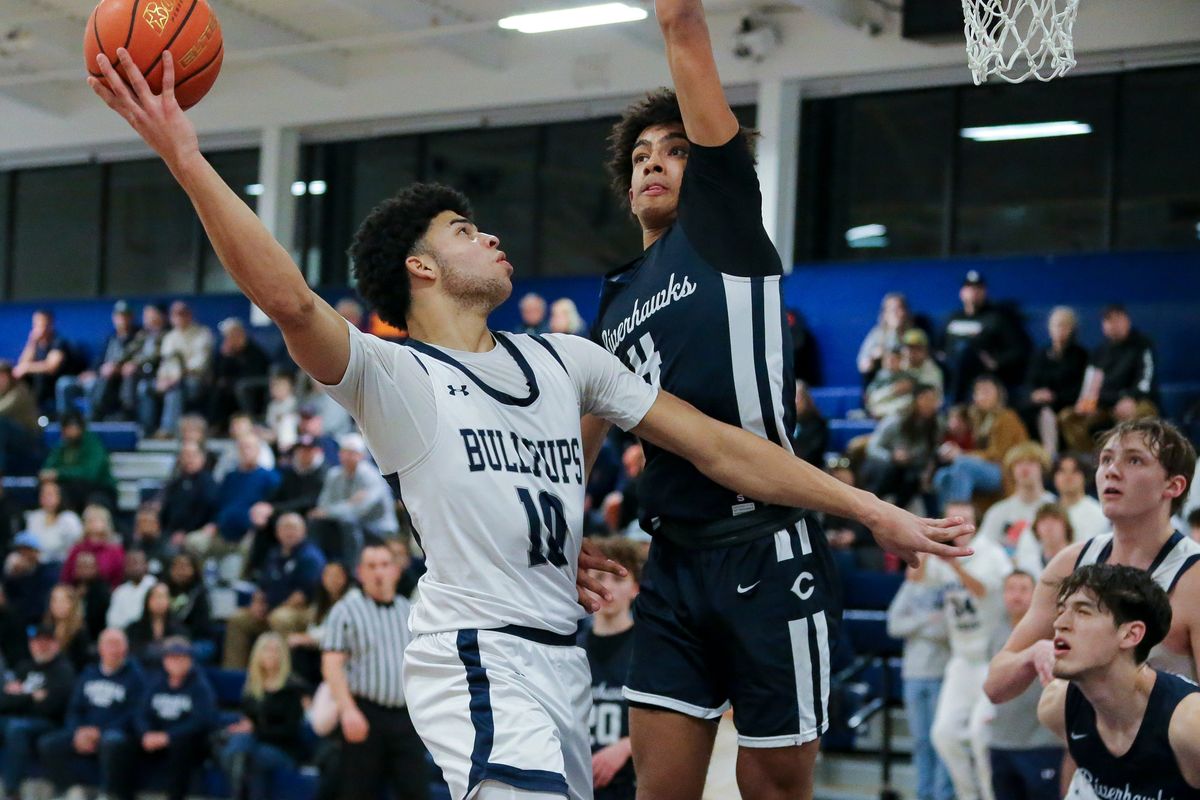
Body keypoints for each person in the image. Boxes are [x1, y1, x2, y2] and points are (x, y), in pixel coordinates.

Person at [87, 46, 970, 800]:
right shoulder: (395, 377)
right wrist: (186, 159)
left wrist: (865, 507)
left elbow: (719, 445)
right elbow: (286, 298)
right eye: (468, 229)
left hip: (562, 660)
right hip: (474, 655)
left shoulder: (566, 359)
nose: (496, 239)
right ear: (422, 267)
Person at [984, 418, 1200, 705]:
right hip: (1089, 745)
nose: (1112, 471)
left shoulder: (1194, 577)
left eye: (1134, 460)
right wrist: (1033, 654)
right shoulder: (1069, 564)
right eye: (1106, 459)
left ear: (1173, 485)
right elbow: (995, 686)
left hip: (1168, 747)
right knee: (1055, 707)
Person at [1037, 564, 1200, 796]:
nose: (1059, 623)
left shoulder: (1190, 725)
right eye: (1061, 610)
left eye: (1083, 611)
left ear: (1131, 634)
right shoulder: (1056, 706)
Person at [321, 542, 425, 800]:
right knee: (358, 792)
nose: (378, 572)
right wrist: (347, 710)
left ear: (396, 571)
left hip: (406, 717)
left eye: (384, 565)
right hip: (366, 713)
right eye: (371, 566)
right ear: (360, 573)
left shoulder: (410, 612)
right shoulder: (345, 611)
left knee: (416, 791)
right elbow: (331, 664)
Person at [925, 501, 1012, 800]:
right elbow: (915, 580)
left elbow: (984, 591)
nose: (959, 527)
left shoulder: (991, 553)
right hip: (961, 659)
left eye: (965, 520)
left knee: (980, 736)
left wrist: (954, 565)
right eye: (952, 521)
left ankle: (991, 796)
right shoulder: (941, 556)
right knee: (943, 734)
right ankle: (968, 795)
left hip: (992, 657)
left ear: (976, 521)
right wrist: (924, 545)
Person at [39, 628, 145, 800]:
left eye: (117, 644)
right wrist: (78, 731)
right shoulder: (89, 673)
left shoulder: (135, 676)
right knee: (48, 744)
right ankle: (71, 789)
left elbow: (134, 714)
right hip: (85, 731)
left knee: (111, 741)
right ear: (100, 648)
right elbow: (74, 708)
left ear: (125, 649)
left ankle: (108, 793)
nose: (113, 649)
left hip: (118, 732)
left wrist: (100, 732)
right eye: (109, 644)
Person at [985, 571, 1063, 800]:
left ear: (1036, 594)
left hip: (1042, 743)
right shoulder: (996, 634)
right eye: (1011, 589)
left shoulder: (1055, 634)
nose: (1016, 596)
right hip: (1002, 741)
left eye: (1023, 589)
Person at [887, 556, 953, 800]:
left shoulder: (946, 590)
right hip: (913, 674)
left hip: (940, 673)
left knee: (941, 741)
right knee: (921, 741)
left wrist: (914, 625)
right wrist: (925, 620)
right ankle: (923, 793)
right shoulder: (909, 588)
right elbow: (893, 625)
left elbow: (945, 630)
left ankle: (942, 794)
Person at [223, 513, 325, 669]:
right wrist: (257, 604)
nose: (289, 532)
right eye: (285, 528)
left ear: (304, 531)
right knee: (238, 619)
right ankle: (235, 673)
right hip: (271, 609)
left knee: (279, 618)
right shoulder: (274, 554)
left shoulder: (310, 556)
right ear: (277, 532)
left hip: (302, 611)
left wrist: (271, 611)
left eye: (293, 528)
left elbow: (301, 596)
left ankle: (282, 675)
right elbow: (262, 587)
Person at [583, 538, 643, 800]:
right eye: (598, 577)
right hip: (577, 782)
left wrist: (626, 747)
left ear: (635, 589)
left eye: (618, 580)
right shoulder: (570, 648)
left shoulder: (649, 650)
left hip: (630, 785)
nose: (607, 588)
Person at [219, 632, 312, 800]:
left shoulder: (293, 687)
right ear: (258, 654)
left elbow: (289, 731)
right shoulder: (251, 687)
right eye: (266, 650)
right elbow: (247, 721)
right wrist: (245, 730)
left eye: (276, 650)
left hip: (284, 749)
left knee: (250, 755)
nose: (271, 654)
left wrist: (255, 731)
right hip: (253, 745)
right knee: (242, 746)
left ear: (283, 655)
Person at [1058, 305, 1159, 454]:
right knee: (1068, 417)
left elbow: (1145, 380)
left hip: (1137, 400)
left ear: (1127, 321)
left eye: (1118, 319)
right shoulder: (1099, 352)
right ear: (1103, 326)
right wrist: (1087, 403)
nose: (1114, 325)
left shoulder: (1142, 345)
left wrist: (1131, 398)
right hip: (1105, 404)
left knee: (1137, 413)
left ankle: (1128, 459)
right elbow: (1090, 383)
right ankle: (1092, 461)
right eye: (1108, 321)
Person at [127, 637, 216, 800]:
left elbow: (201, 721)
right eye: (172, 658)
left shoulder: (200, 686)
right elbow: (141, 713)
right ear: (165, 661)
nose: (177, 663)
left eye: (182, 658)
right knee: (124, 742)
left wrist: (168, 737)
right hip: (155, 738)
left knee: (182, 746)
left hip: (185, 742)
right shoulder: (154, 683)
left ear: (190, 661)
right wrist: (146, 733)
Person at [0, 623, 76, 800]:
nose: (39, 646)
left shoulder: (62, 670)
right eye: (35, 642)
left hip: (50, 724)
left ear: (54, 644)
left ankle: (12, 791)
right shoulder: (24, 667)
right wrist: (31, 697)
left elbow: (51, 707)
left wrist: (19, 696)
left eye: (44, 642)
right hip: (21, 718)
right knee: (12, 724)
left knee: (16, 728)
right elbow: (3, 701)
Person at [933, 376, 1029, 509]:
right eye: (978, 392)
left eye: (987, 391)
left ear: (998, 394)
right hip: (987, 467)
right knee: (943, 475)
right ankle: (944, 519)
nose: (982, 396)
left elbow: (998, 454)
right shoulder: (979, 418)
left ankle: (958, 519)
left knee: (963, 464)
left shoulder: (1006, 417)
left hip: (1006, 470)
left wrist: (962, 454)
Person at [939, 271, 1029, 404]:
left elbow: (1019, 349)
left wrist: (996, 362)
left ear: (985, 292)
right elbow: (938, 347)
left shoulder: (997, 318)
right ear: (962, 292)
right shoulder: (952, 318)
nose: (974, 292)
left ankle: (957, 405)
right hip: (951, 373)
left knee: (966, 353)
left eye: (978, 288)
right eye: (969, 288)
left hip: (983, 375)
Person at [309, 433, 399, 563]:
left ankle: (352, 569)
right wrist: (349, 504)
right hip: (350, 524)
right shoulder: (334, 475)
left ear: (361, 455)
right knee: (317, 523)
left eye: (352, 453)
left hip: (379, 528)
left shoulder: (371, 476)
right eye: (344, 452)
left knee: (348, 522)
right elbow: (322, 506)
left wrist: (331, 511)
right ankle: (322, 567)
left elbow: (359, 511)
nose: (346, 457)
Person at [861, 384, 943, 512]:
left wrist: (928, 469)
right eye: (926, 399)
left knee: (916, 479)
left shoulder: (936, 426)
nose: (930, 404)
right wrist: (892, 456)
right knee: (888, 470)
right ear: (915, 400)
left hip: (911, 471)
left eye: (934, 400)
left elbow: (931, 454)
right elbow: (872, 448)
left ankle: (896, 511)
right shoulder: (895, 421)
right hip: (885, 467)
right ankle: (871, 509)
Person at [1020, 306, 1087, 459]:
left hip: (1065, 404)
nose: (1060, 330)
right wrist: (1035, 394)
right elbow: (1030, 382)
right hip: (1037, 405)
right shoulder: (1040, 355)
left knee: (1047, 414)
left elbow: (1080, 388)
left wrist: (1054, 396)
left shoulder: (1080, 356)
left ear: (1072, 329)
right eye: (1056, 325)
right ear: (1049, 328)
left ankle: (1050, 458)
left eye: (1065, 325)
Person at [57, 300, 139, 421]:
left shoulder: (138, 337)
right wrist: (91, 371)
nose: (121, 319)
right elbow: (99, 360)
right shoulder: (111, 337)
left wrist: (116, 368)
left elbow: (135, 361)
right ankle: (68, 424)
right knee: (64, 384)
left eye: (125, 315)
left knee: (92, 385)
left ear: (131, 317)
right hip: (100, 375)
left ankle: (92, 422)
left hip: (115, 381)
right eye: (118, 316)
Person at [146, 300, 214, 437]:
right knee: (145, 388)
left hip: (197, 380)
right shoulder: (169, 337)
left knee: (175, 388)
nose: (179, 317)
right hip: (171, 379)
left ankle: (168, 430)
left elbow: (199, 364)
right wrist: (162, 379)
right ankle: (146, 430)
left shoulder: (203, 333)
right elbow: (165, 364)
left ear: (189, 315)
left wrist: (175, 378)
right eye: (175, 314)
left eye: (182, 314)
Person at [975, 442, 1056, 552]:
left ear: (1042, 467)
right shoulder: (998, 511)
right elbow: (983, 549)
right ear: (1011, 470)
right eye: (1018, 463)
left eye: (1031, 462)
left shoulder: (1056, 506)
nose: (1025, 468)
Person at [287, 560, 354, 685]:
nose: (332, 579)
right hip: (323, 648)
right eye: (327, 575)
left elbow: (335, 632)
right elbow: (314, 628)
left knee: (303, 651)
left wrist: (307, 639)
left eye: (336, 575)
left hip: (345, 654)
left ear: (346, 577)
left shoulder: (352, 599)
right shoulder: (323, 599)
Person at [41, 413, 116, 509]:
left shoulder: (92, 444)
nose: (69, 431)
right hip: (72, 490)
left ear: (81, 428)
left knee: (93, 502)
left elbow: (90, 474)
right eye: (66, 428)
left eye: (72, 427)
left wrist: (59, 474)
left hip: (99, 489)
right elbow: (49, 466)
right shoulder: (62, 446)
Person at [208, 317, 271, 431]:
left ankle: (247, 424)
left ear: (240, 334)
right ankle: (217, 426)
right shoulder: (228, 352)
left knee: (235, 388)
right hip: (232, 387)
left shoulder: (255, 352)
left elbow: (252, 375)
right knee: (217, 388)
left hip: (253, 390)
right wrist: (225, 357)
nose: (228, 340)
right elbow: (218, 373)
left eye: (231, 336)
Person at [12, 308, 71, 414]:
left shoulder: (59, 342)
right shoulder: (35, 344)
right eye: (36, 324)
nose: (38, 328)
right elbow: (22, 363)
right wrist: (32, 342)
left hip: (54, 384)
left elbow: (51, 367)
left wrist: (27, 368)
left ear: (50, 324)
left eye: (42, 324)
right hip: (38, 388)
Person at [158, 440, 219, 542]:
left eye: (193, 455)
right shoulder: (175, 483)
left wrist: (185, 532)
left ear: (202, 457)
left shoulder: (209, 483)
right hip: (170, 532)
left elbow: (204, 512)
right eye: (185, 455)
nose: (189, 459)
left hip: (195, 533)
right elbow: (166, 511)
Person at [61, 503, 126, 589]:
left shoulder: (115, 550)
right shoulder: (77, 549)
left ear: (106, 523)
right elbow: (67, 575)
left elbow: (119, 576)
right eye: (91, 519)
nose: (94, 523)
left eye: (99, 519)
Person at [123, 303, 168, 423]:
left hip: (158, 372)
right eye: (145, 314)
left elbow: (157, 355)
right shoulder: (142, 334)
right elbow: (128, 351)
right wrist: (116, 364)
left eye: (150, 314)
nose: (146, 318)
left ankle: (144, 426)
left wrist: (135, 363)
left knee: (143, 385)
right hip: (140, 371)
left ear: (161, 316)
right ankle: (126, 415)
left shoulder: (167, 334)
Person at [1051, 454, 1109, 542]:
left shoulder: (1098, 513)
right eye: (1062, 471)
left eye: (1074, 471)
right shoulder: (1046, 510)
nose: (1068, 476)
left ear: (1084, 477)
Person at [857, 292, 913, 385]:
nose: (896, 313)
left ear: (906, 311)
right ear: (884, 314)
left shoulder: (915, 333)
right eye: (891, 310)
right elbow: (863, 366)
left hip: (910, 383)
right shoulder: (877, 335)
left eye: (899, 308)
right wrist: (875, 357)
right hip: (884, 384)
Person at [0, 359, 43, 475]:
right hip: (10, 441)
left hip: (30, 439)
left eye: (2, 377)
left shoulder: (20, 391)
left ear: (9, 377)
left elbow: (2, 410)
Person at [125, 581, 185, 664]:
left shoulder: (179, 628)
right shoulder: (134, 628)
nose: (159, 601)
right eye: (156, 596)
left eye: (163, 597)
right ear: (147, 600)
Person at [24, 479, 83, 563]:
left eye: (50, 494)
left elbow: (76, 547)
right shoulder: (34, 517)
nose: (46, 497)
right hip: (35, 564)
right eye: (43, 494)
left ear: (60, 497)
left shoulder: (70, 518)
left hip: (62, 563)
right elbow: (29, 544)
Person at [1013, 503, 1076, 579]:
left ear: (1066, 526)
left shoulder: (1080, 560)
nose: (1049, 527)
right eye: (1043, 521)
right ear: (1036, 529)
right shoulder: (1027, 566)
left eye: (1055, 519)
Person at [44, 582, 93, 671]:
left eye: (63, 601)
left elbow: (81, 663)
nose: (58, 605)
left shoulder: (80, 632)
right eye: (54, 600)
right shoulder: (46, 627)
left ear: (72, 604)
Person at [106, 550, 157, 631]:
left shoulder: (155, 586)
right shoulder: (120, 591)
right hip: (124, 634)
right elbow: (112, 621)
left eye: (136, 562)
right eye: (129, 564)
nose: (133, 567)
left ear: (146, 565)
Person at [792, 380, 828, 467]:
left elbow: (812, 454)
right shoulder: (781, 423)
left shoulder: (818, 424)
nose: (794, 401)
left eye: (797, 397)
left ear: (806, 399)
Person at [901, 329, 943, 399]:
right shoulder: (897, 365)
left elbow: (931, 402)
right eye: (909, 348)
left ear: (925, 351)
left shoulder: (933, 371)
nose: (911, 353)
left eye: (917, 349)